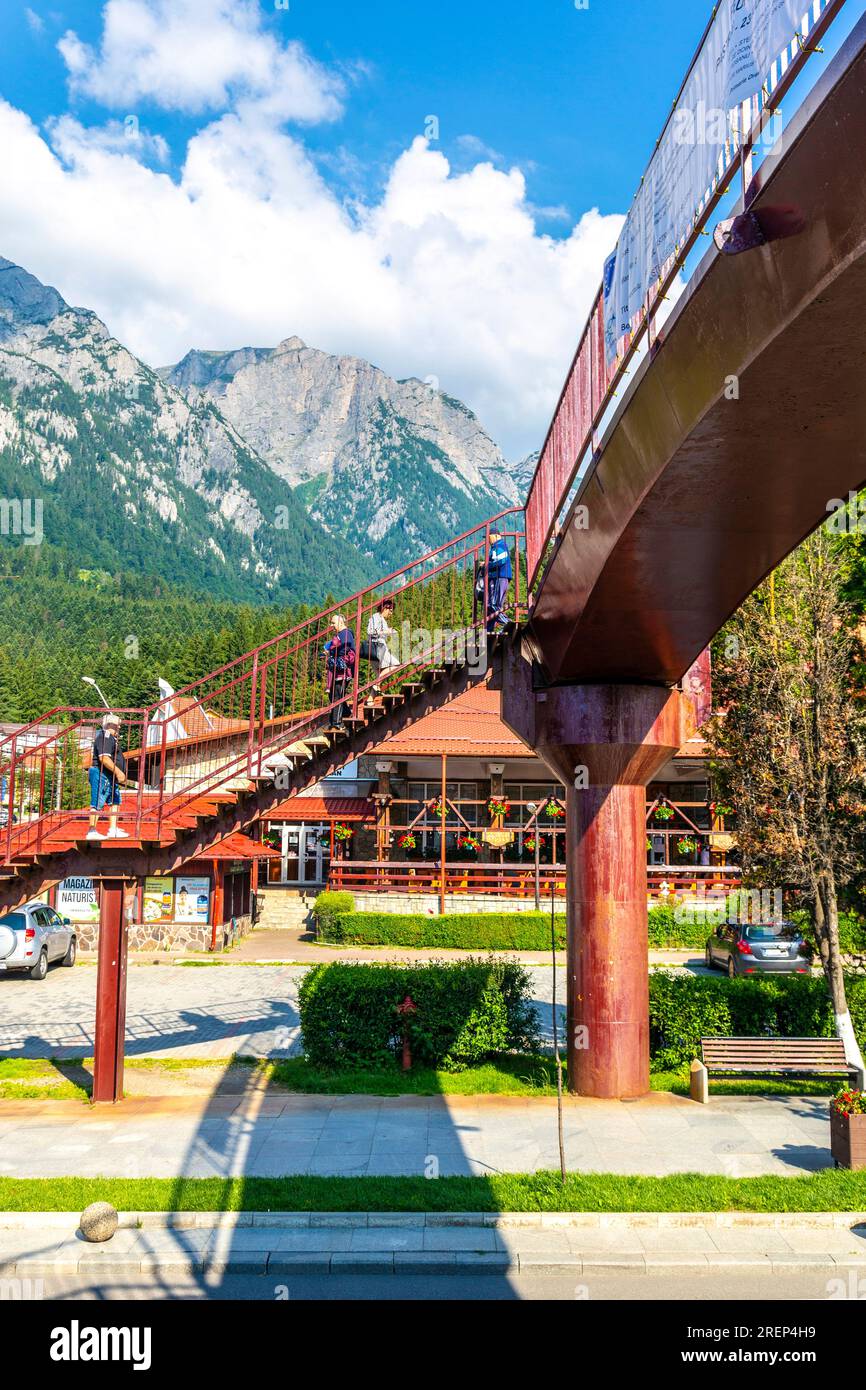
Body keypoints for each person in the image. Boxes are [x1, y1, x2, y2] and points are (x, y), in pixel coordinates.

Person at [86, 712, 129, 840]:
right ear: (110, 724)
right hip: (101, 773)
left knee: (114, 800)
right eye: (118, 725)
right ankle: (92, 830)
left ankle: (113, 829)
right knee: (97, 802)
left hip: (109, 775)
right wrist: (119, 772)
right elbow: (104, 758)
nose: (119, 727)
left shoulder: (111, 738)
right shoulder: (105, 736)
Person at [323, 613, 356, 727]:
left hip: (343, 670)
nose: (331, 625)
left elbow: (344, 649)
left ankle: (335, 724)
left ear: (341, 622)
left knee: (336, 695)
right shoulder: (342, 634)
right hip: (339, 669)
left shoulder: (345, 634)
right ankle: (346, 714)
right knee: (334, 694)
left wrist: (331, 652)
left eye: (333, 623)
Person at [366, 597, 399, 692]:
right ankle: (376, 685)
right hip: (377, 647)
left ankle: (370, 700)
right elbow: (371, 631)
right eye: (391, 610)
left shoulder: (380, 619)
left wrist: (388, 631)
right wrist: (387, 631)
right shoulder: (376, 617)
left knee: (379, 675)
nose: (391, 613)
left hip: (375, 648)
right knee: (396, 664)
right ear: (385, 608)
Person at [486, 527, 512, 633]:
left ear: (496, 536)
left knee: (493, 605)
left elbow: (501, 560)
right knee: (492, 606)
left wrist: (487, 565)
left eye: (489, 537)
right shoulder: (496, 546)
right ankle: (489, 629)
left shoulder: (499, 545)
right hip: (499, 577)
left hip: (500, 577)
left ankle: (508, 623)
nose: (488, 540)